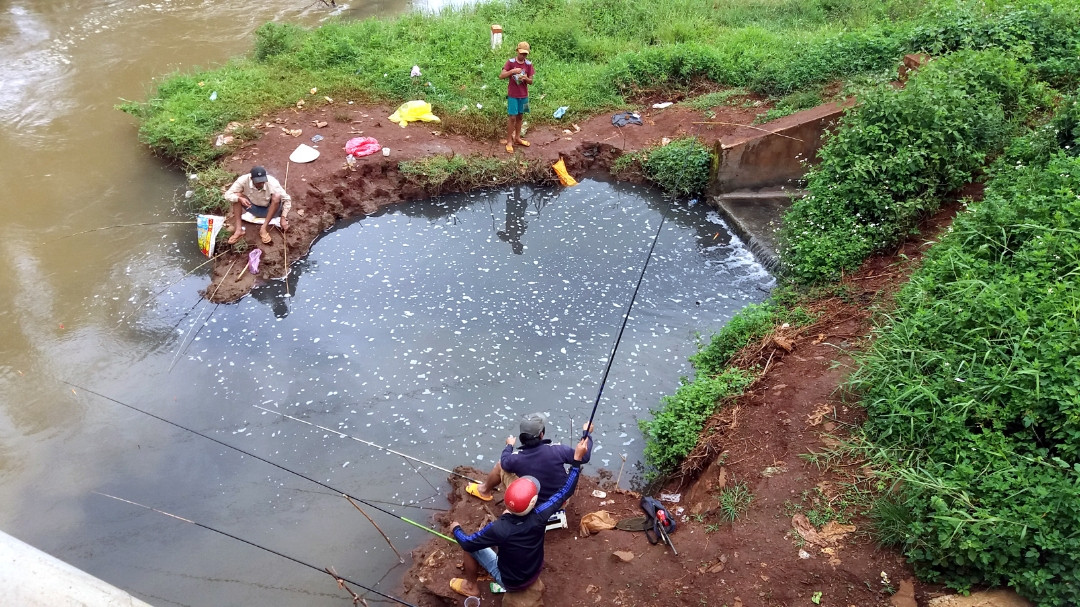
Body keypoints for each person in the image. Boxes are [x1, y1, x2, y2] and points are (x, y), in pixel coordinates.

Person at [449, 437, 589, 603]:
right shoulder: (541, 515)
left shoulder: (498, 528)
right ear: (533, 502)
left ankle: (470, 586)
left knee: (472, 549)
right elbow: (565, 491)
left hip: (511, 582)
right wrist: (576, 460)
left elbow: (467, 543)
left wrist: (456, 529)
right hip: (534, 572)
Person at [466, 413, 593, 506]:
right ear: (541, 434)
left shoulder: (516, 458)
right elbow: (584, 456)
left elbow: (504, 462)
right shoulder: (558, 450)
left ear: (522, 437)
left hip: (531, 503)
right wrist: (587, 433)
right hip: (560, 501)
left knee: (500, 465)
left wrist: (509, 445)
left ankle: (484, 491)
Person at [223, 166, 292, 245]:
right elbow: (227, 195)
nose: (261, 184)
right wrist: (239, 199)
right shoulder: (243, 180)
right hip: (253, 208)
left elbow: (287, 199)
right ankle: (239, 230)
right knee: (236, 196)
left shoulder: (272, 182)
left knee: (276, 196)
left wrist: (283, 218)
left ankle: (263, 228)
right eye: (258, 182)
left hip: (270, 210)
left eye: (263, 181)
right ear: (251, 179)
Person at [499, 41, 534, 154]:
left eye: (525, 54)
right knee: (512, 117)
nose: (523, 56)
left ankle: (517, 137)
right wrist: (512, 71)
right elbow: (501, 76)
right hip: (513, 95)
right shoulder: (510, 62)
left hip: (524, 95)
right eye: (521, 53)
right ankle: (509, 141)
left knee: (520, 116)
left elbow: (531, 81)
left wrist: (525, 78)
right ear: (517, 51)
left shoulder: (528, 64)